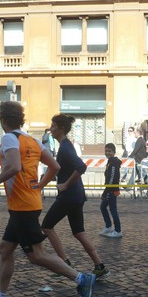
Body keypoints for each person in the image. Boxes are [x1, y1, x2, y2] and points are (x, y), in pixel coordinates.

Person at [0, 102, 95, 297]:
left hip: (22, 206)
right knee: (5, 249)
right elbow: (55, 167)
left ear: (3, 120)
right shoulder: (32, 140)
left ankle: (81, 278)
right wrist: (40, 185)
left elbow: (13, 166)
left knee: (36, 255)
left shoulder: (9, 138)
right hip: (27, 203)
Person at [41, 113, 110, 280]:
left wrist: (65, 184)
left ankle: (64, 264)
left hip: (69, 196)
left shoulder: (65, 147)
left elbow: (81, 166)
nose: (51, 129)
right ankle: (99, 266)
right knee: (79, 232)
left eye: (53, 126)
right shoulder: (65, 145)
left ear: (61, 129)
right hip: (77, 196)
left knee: (47, 226)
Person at [99, 143, 122, 238]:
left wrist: (106, 192)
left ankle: (118, 230)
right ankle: (108, 226)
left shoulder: (113, 163)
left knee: (113, 210)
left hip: (112, 191)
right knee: (103, 207)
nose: (107, 153)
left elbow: (112, 179)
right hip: (110, 190)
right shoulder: (110, 162)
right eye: (106, 151)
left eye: (109, 151)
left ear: (114, 152)